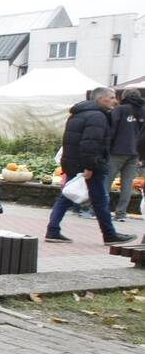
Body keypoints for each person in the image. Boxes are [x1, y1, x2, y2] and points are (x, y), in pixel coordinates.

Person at [45, 87, 137, 245]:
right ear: (100, 99)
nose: (115, 101)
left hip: (73, 163)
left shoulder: (78, 114)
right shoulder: (97, 117)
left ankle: (53, 230)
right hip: (90, 166)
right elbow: (90, 144)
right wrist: (89, 167)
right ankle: (109, 235)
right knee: (100, 200)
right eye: (112, 97)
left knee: (66, 196)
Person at [109, 89, 144, 221]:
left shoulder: (120, 109)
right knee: (127, 184)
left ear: (123, 97)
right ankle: (121, 213)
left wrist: (107, 146)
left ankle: (97, 209)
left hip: (117, 150)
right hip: (135, 152)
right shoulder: (143, 110)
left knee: (107, 180)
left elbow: (112, 129)